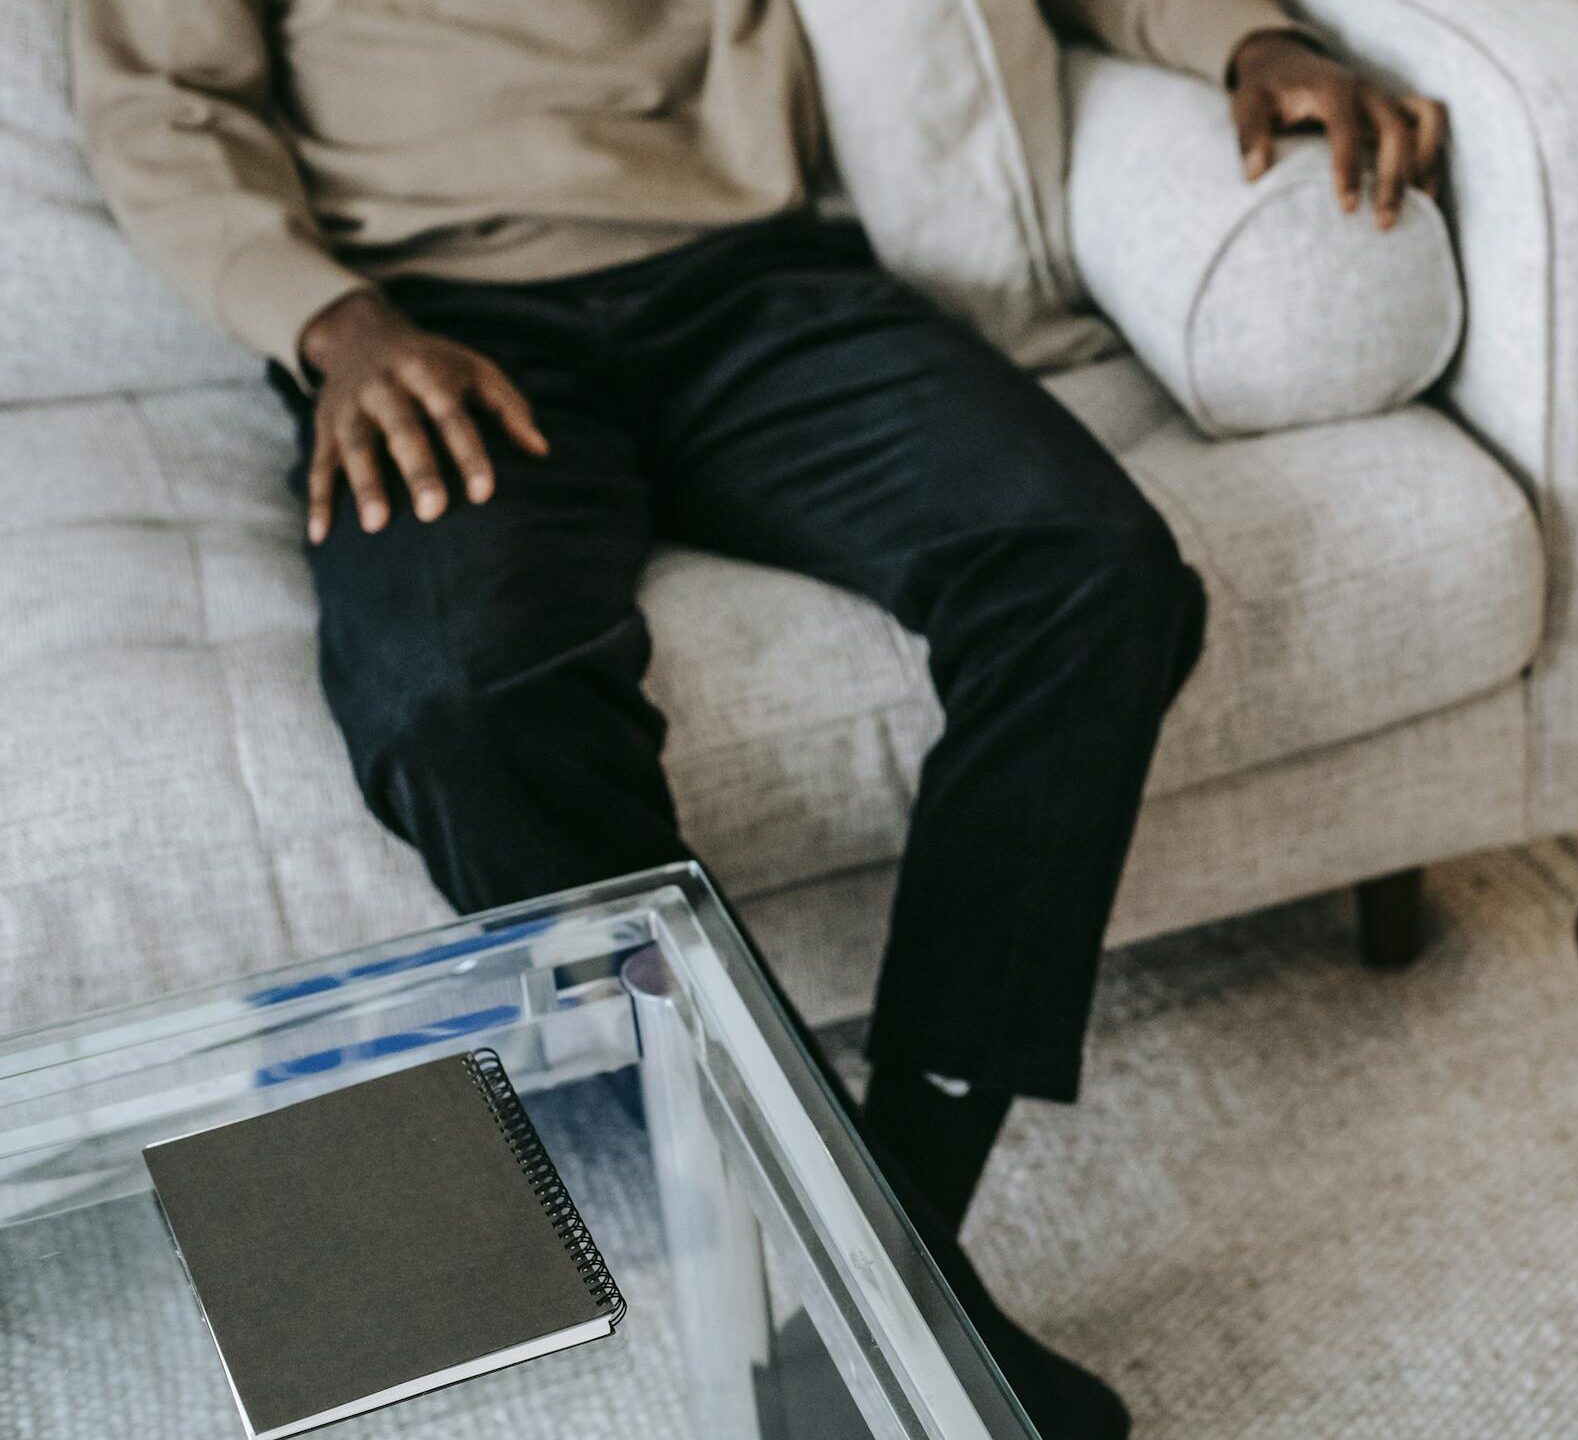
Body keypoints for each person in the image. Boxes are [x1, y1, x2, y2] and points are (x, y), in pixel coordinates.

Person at [73, 0, 1445, 1432]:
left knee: (1092, 577)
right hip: (423, 315)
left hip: (757, 282)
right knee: (457, 709)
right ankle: (864, 1270)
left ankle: (870, 1230)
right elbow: (160, 100)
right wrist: (331, 324)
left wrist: (1246, 39)